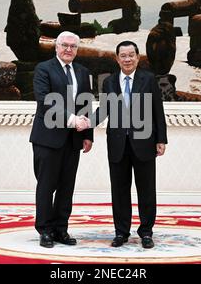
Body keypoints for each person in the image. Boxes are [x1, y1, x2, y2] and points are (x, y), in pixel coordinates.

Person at [82, 40, 167, 249]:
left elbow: (158, 110)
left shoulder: (148, 79)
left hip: (145, 143)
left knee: (146, 190)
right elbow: (103, 110)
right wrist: (86, 124)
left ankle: (146, 232)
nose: (127, 59)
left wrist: (161, 139)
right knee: (119, 191)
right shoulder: (109, 82)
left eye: (131, 55)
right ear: (117, 58)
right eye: (123, 55)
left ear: (137, 57)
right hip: (118, 144)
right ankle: (121, 232)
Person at [30, 31, 93, 248]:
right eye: (64, 45)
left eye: (73, 46)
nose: (68, 49)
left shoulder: (83, 72)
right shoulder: (43, 69)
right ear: (56, 47)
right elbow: (45, 100)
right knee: (47, 186)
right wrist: (72, 119)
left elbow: (86, 104)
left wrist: (87, 135)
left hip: (73, 140)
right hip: (47, 138)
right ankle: (45, 230)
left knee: (67, 187)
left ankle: (61, 229)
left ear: (77, 49)